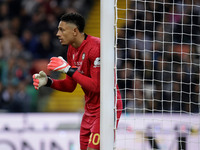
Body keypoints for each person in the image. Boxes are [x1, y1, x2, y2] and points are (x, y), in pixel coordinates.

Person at [32, 13, 123, 150]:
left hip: (107, 107)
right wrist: (49, 82)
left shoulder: (96, 47)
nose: (57, 34)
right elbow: (70, 85)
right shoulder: (71, 50)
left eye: (62, 30)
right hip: (90, 109)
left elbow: (96, 87)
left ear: (75, 31)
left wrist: (68, 69)